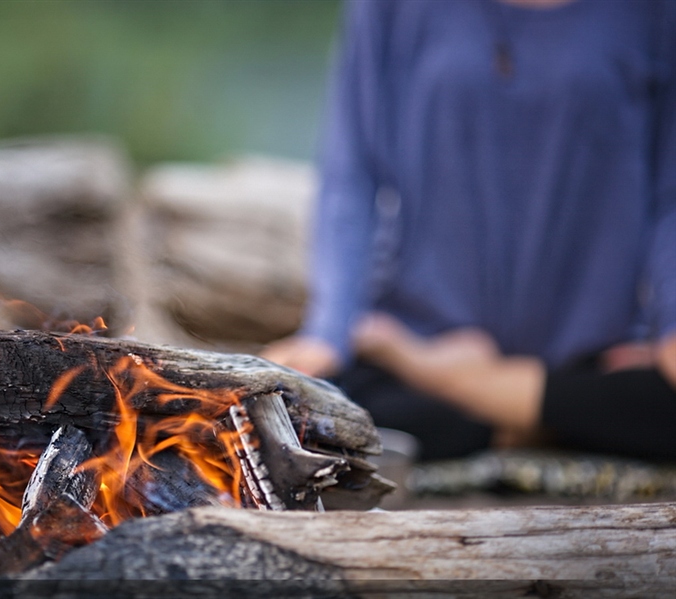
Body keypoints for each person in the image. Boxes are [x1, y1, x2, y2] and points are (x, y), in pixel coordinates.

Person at [261, 0, 676, 461]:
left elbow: (670, 195)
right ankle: (549, 422)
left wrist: (670, 327)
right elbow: (352, 175)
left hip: (591, 355)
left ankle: (472, 391)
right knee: (320, 418)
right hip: (427, 332)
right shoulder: (391, 9)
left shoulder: (652, 14)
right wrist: (328, 332)